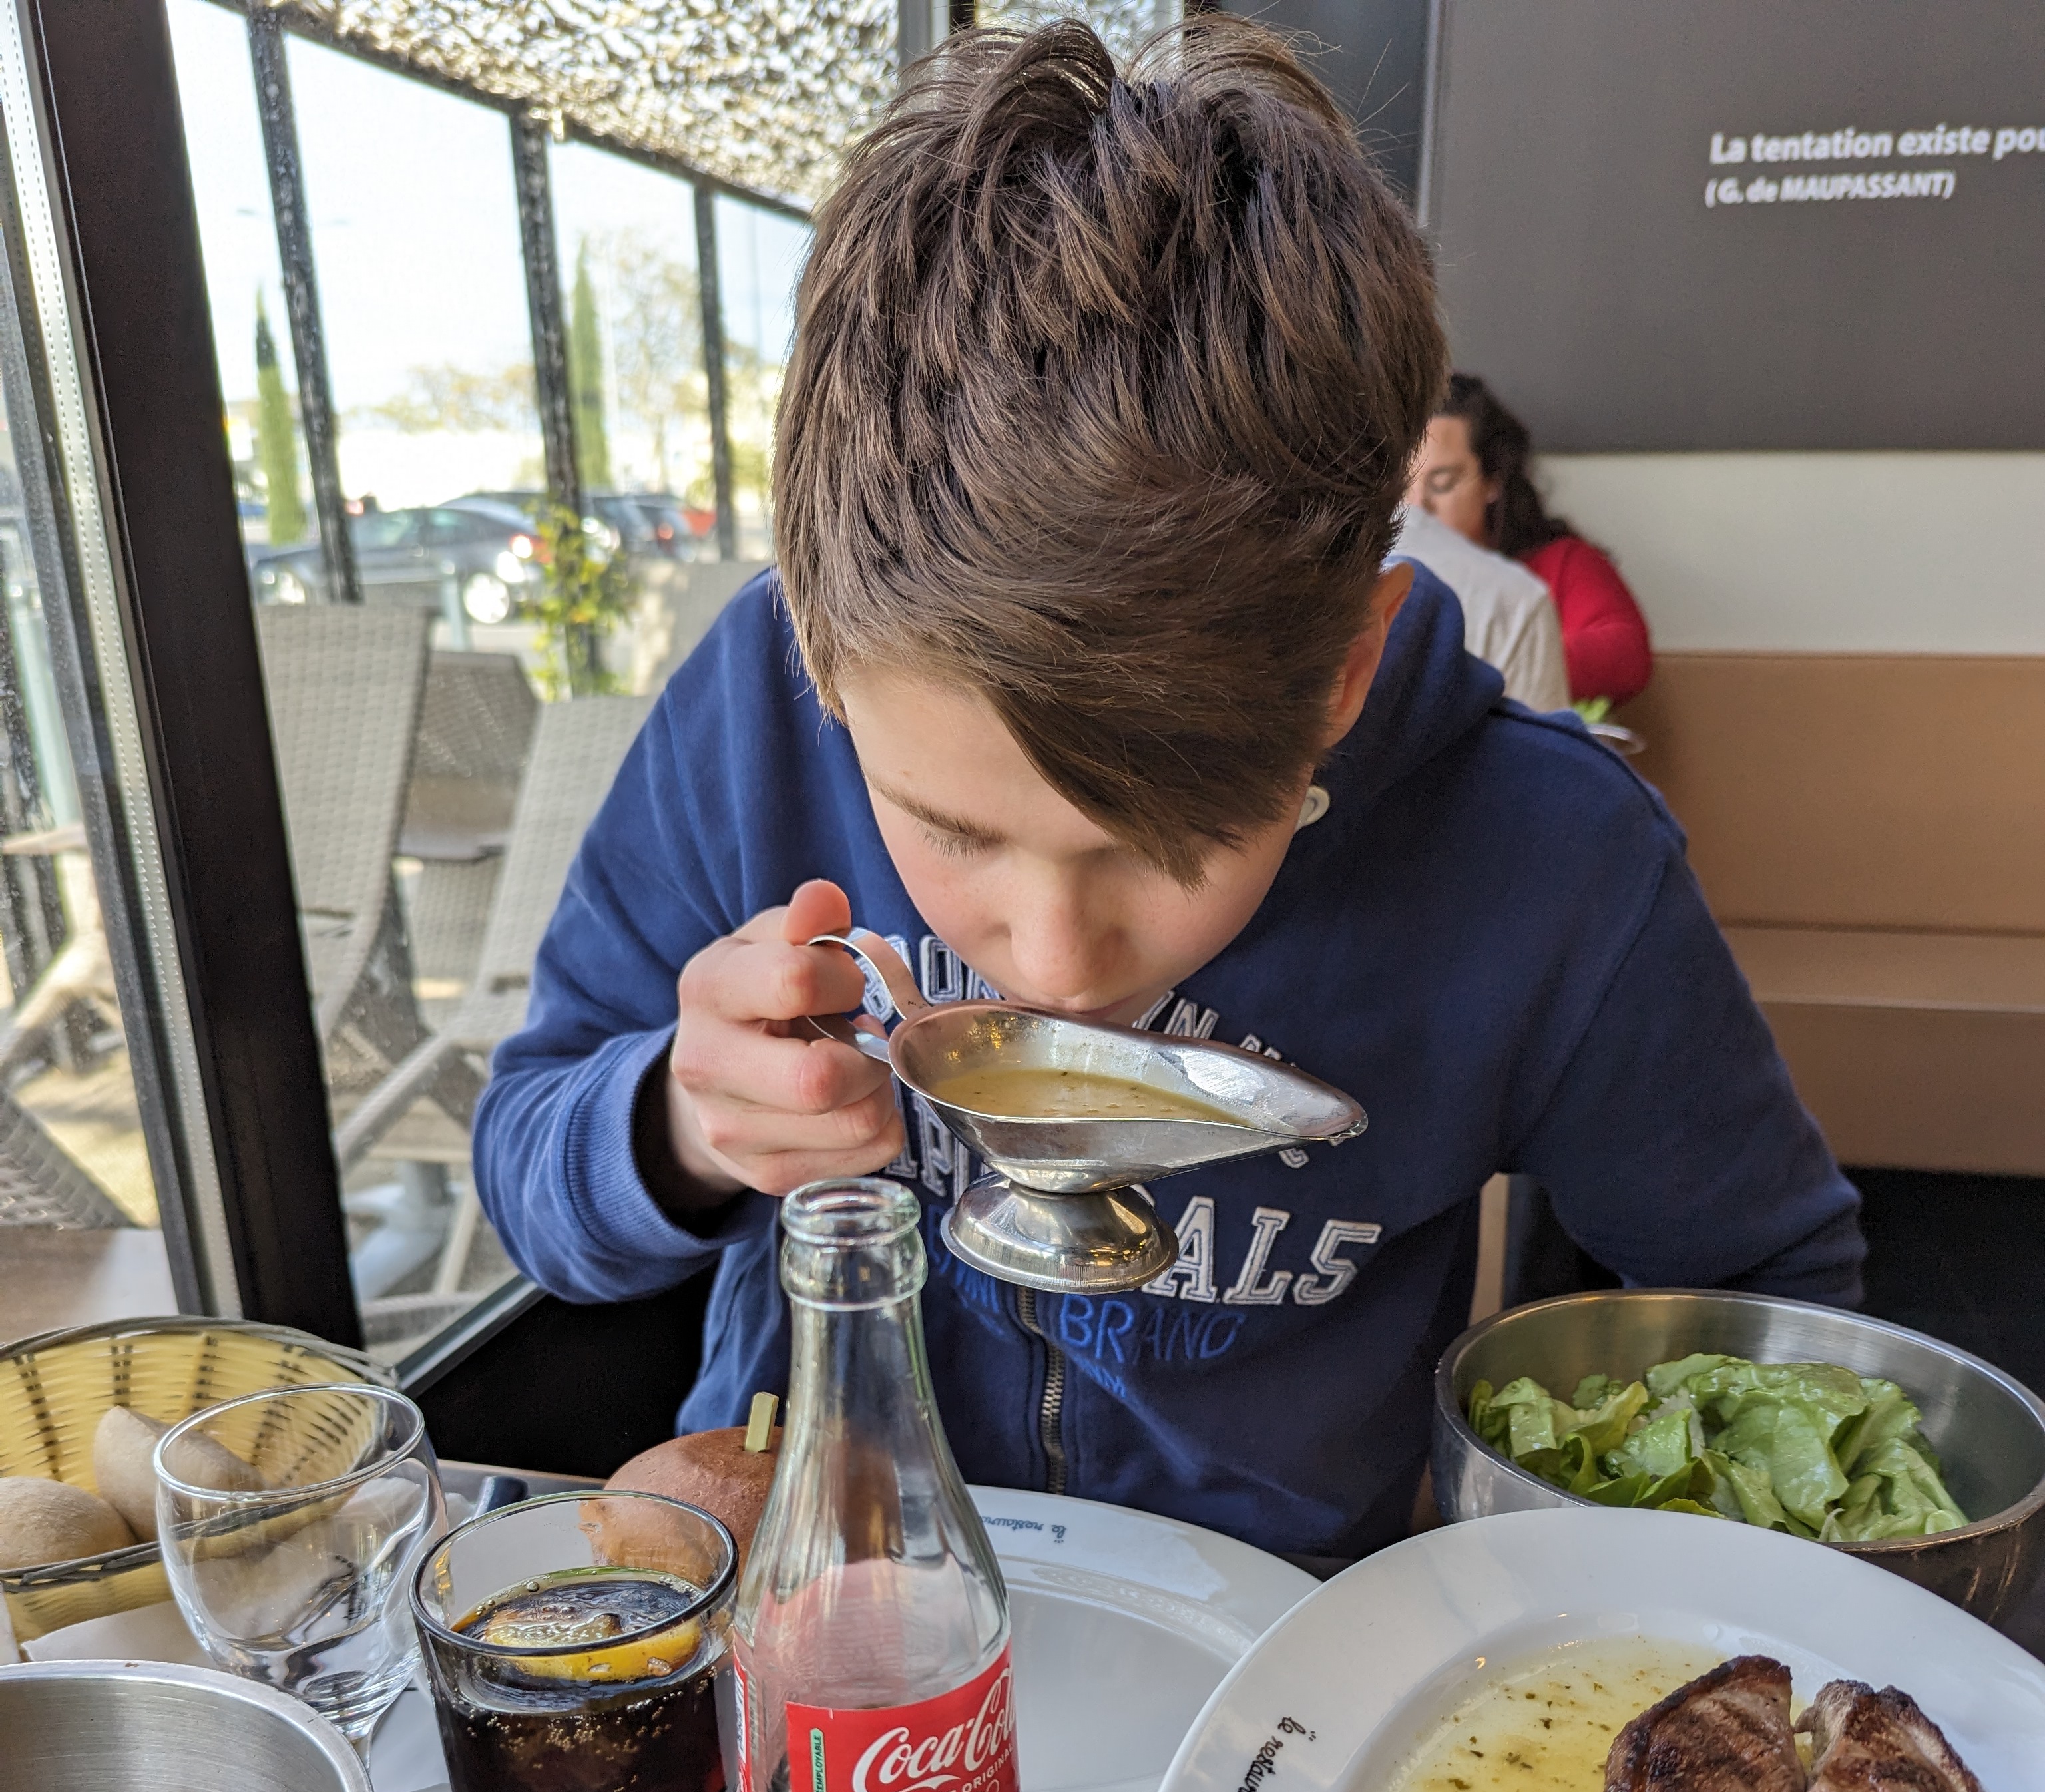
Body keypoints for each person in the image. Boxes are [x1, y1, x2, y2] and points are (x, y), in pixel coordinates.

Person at [474, 22, 1859, 1566]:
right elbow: (529, 1174)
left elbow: (1771, 1303)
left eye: (1166, 842)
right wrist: (679, 1117)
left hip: (1271, 1626)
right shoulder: (758, 704)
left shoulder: (1554, 866)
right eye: (949, 829)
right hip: (822, 1591)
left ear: (1344, 674)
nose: (1056, 964)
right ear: (824, 655)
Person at [1409, 373, 1654, 709]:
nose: (1417, 506)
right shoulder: (1375, 572)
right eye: (1402, 485)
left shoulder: (1558, 565)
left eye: (1442, 483)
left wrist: (1508, 662)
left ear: (1493, 481)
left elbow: (1626, 654)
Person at [1388, 503, 1570, 713]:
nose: (1422, 501)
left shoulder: (1529, 588)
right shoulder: (1520, 601)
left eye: (1443, 486)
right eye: (1410, 490)